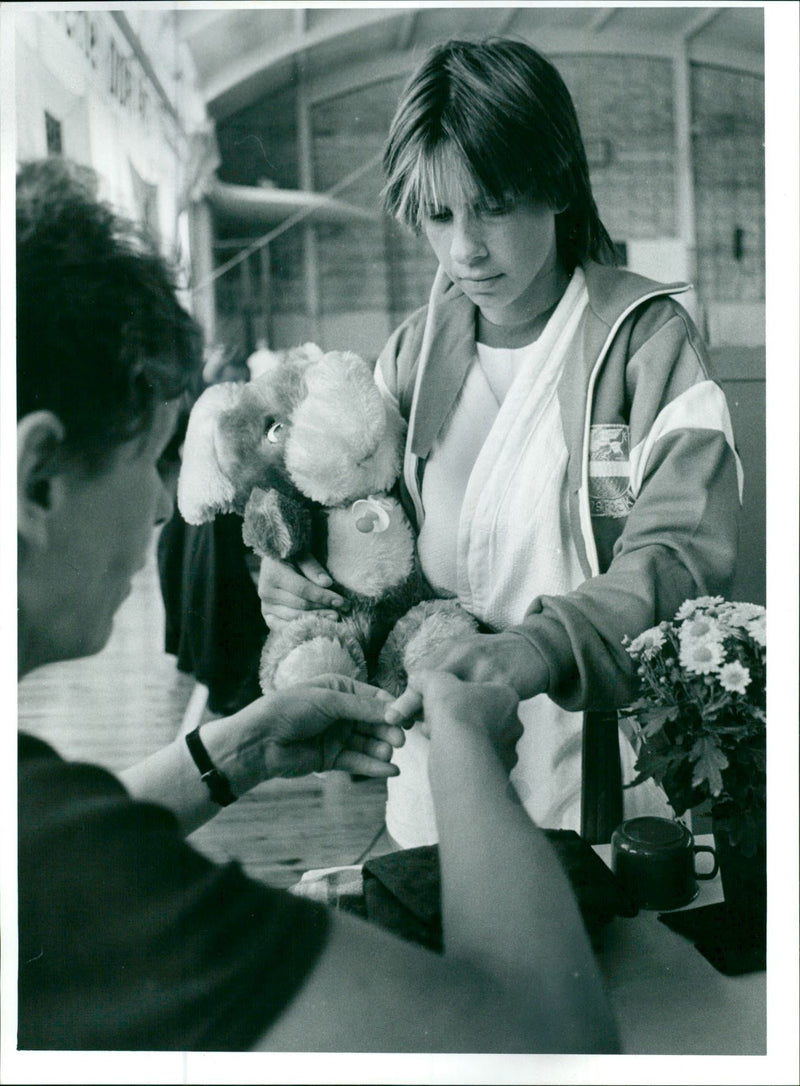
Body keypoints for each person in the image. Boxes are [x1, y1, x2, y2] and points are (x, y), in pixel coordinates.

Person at [16, 156, 618, 1053]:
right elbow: (544, 1044)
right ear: (37, 480)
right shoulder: (85, 874)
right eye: (151, 457)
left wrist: (243, 746)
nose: (154, 503)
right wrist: (463, 741)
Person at [255, 38, 742, 849]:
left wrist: (537, 650)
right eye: (439, 216)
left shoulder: (647, 347)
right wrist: (301, 575)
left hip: (602, 780)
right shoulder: (410, 358)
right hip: (436, 774)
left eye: (494, 205)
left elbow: (678, 560)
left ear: (554, 184)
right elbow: (371, 545)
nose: (465, 250)